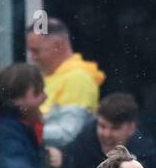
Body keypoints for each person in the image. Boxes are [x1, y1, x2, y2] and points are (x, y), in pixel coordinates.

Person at [25, 17, 105, 148]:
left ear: (58, 45)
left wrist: (23, 130)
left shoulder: (78, 78)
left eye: (36, 51)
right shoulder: (44, 76)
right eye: (30, 51)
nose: (32, 58)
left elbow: (69, 133)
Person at [61, 92, 156, 168]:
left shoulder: (145, 151)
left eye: (115, 128)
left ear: (131, 128)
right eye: (102, 126)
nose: (107, 134)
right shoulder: (84, 142)